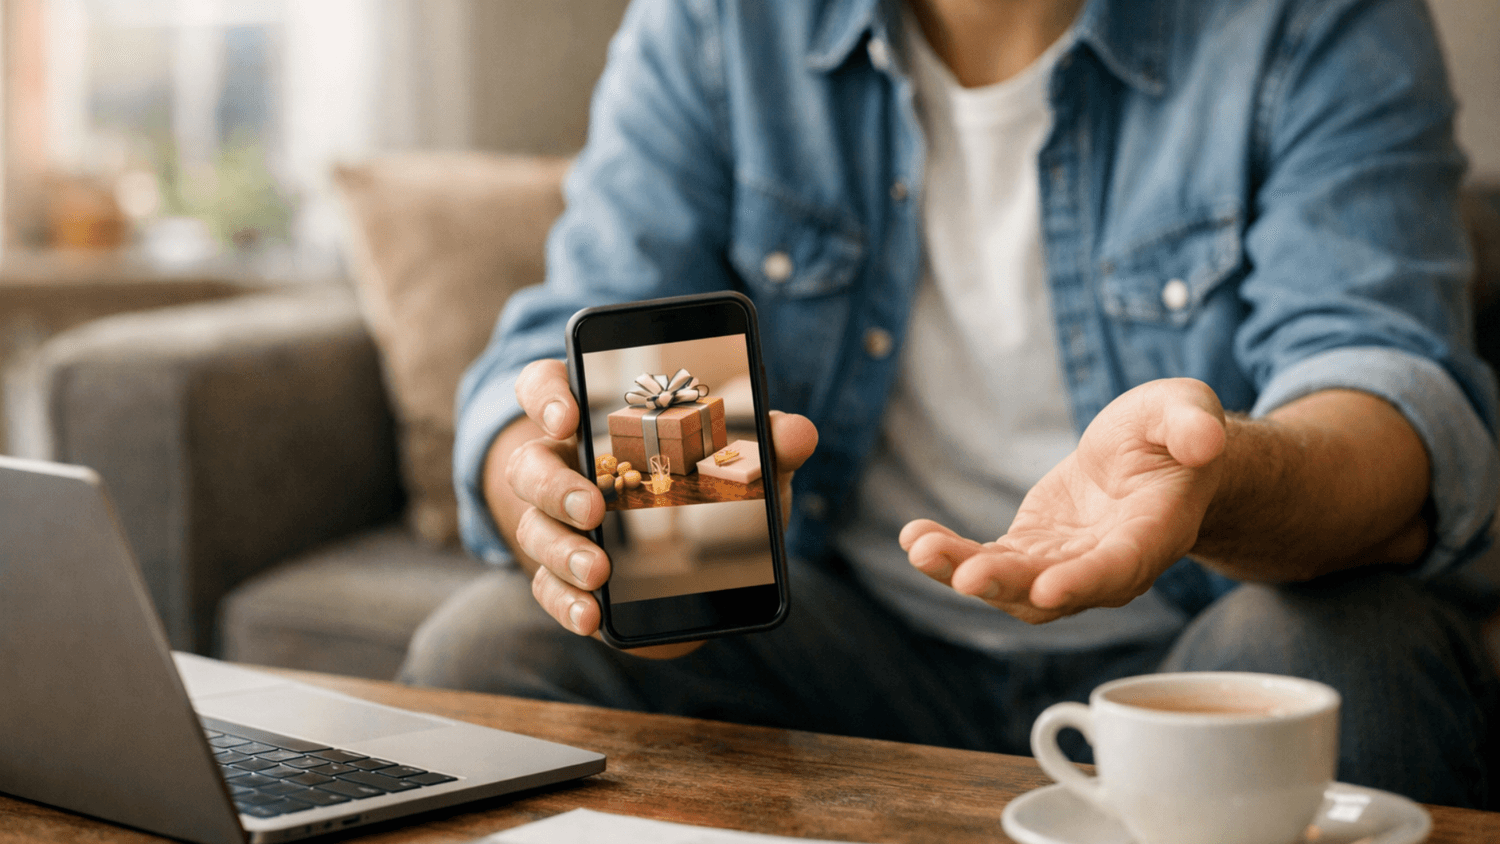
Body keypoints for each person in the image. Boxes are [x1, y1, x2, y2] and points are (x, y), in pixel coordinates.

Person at [400, 0, 1500, 808]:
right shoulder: (715, 24)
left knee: (1356, 655)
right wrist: (555, 497)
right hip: (845, 643)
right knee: (491, 647)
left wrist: (1220, 479)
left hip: (1196, 637)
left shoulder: (1315, 22)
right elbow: (562, 348)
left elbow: (1388, 385)